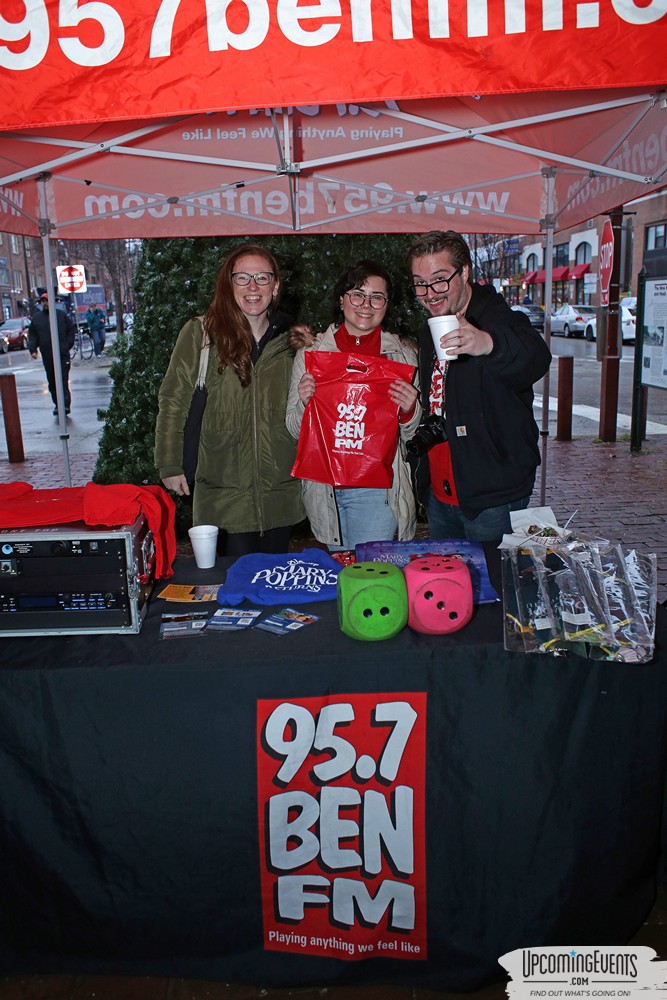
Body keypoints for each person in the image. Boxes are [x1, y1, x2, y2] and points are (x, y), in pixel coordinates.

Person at [155, 243, 305, 557]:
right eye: (242, 278)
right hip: (223, 498)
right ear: (228, 284)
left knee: (274, 588)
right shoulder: (201, 334)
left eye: (262, 278)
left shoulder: (294, 343)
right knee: (232, 594)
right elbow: (173, 400)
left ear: (275, 285)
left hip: (280, 493)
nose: (253, 287)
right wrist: (170, 463)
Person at [406, 230, 552, 542]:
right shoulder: (429, 328)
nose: (430, 292)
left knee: (495, 588)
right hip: (440, 492)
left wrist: (486, 343)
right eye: (420, 282)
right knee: (451, 586)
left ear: (465, 272)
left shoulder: (497, 318)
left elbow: (536, 358)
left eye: (440, 279)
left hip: (493, 498)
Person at [286, 259, 421, 550]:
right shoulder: (312, 357)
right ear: (342, 299)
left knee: (366, 579)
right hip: (326, 489)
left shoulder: (401, 357)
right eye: (357, 294)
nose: (366, 305)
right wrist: (304, 402)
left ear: (387, 304)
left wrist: (410, 409)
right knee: (341, 577)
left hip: (377, 490)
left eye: (377, 297)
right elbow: (295, 430)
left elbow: (411, 437)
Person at [28, 293, 76, 416]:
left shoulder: (61, 316)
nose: (45, 303)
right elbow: (33, 335)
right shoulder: (37, 318)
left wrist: (67, 345)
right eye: (43, 301)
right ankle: (57, 404)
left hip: (62, 353)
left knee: (63, 379)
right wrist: (33, 349)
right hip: (48, 355)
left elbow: (71, 330)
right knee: (52, 380)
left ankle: (65, 405)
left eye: (47, 300)